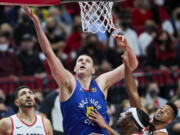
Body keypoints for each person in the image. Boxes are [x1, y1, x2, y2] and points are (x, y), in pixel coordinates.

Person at [22, 6, 138, 135]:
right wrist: (37, 24)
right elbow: (49, 53)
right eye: (80, 60)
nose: (83, 61)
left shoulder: (101, 83)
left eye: (87, 61)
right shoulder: (69, 82)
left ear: (93, 70)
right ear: (75, 68)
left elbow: (132, 65)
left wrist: (127, 47)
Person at [122, 49, 178, 135]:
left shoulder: (162, 133)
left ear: (169, 120)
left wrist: (106, 127)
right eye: (162, 108)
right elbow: (132, 92)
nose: (162, 111)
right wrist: (127, 66)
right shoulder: (145, 119)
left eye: (166, 112)